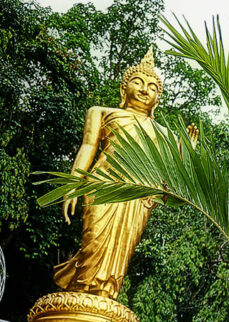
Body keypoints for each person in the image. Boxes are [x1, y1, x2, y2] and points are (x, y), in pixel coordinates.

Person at [55, 47, 197, 299]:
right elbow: (88, 147)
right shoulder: (102, 113)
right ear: (123, 89)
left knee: (122, 249)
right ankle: (82, 288)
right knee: (94, 241)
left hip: (137, 196)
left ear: (157, 99)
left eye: (152, 87)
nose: (144, 89)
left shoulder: (165, 134)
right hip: (103, 185)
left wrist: (186, 154)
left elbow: (172, 180)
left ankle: (107, 295)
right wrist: (73, 184)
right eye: (138, 82)